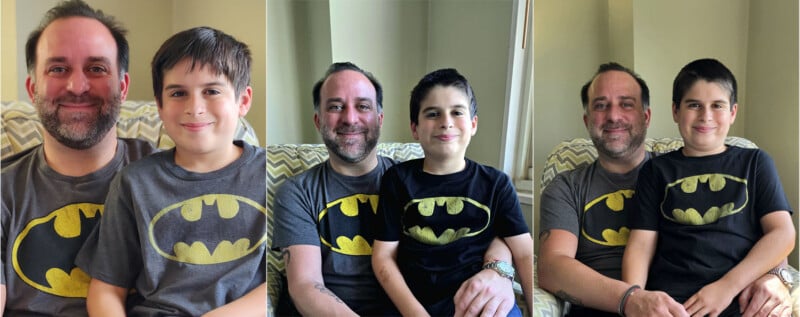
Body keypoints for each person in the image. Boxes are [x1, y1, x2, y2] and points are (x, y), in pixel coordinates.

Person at [538, 62, 794, 317]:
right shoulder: (568, 186)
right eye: (601, 105)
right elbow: (552, 267)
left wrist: (778, 276)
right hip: (633, 304)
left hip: (713, 301)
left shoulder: (745, 162)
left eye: (626, 104)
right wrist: (633, 300)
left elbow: (774, 233)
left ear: (646, 116)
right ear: (587, 120)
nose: (614, 116)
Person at [271, 62, 519, 316]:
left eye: (363, 106)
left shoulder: (412, 181)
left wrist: (499, 271)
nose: (350, 118)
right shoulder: (297, 193)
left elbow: (488, 228)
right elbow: (305, 286)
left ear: (379, 119)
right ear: (318, 120)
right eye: (335, 107)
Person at [74, 26, 266, 316]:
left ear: (243, 101)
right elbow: (107, 290)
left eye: (212, 91)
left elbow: (284, 277)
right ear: (160, 107)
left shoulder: (269, 174)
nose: (195, 108)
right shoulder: (134, 183)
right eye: (178, 93)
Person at [0, 0, 157, 315]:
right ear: (32, 89)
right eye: (58, 69)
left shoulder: (170, 176)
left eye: (96, 68)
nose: (77, 86)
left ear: (123, 86)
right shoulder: (4, 191)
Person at [622, 58, 795, 317]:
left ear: (733, 112)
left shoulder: (755, 162)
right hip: (673, 304)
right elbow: (641, 245)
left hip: (740, 300)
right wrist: (634, 299)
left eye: (717, 105)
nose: (706, 116)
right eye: (694, 105)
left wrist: (727, 287)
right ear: (675, 111)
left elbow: (783, 233)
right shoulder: (656, 171)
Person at [371, 68, 533, 316]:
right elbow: (383, 256)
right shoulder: (397, 180)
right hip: (412, 304)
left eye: (457, 112)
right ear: (415, 128)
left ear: (473, 124)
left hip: (477, 302)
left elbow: (523, 252)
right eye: (432, 113)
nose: (446, 122)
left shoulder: (496, 183)